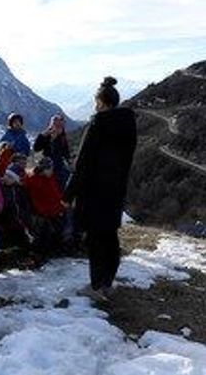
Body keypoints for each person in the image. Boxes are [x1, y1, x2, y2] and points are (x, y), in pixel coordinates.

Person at [64, 76, 137, 301]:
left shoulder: (98, 124)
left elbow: (83, 163)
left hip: (94, 191)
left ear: (101, 102)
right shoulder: (128, 124)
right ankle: (107, 283)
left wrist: (68, 194)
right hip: (115, 189)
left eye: (96, 101)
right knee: (110, 237)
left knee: (95, 239)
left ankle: (96, 287)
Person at [23, 158, 66, 259]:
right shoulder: (32, 179)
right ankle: (39, 254)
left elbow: (55, 194)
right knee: (43, 234)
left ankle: (53, 252)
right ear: (44, 169)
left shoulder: (50, 178)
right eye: (50, 169)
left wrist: (61, 206)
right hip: (41, 211)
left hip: (54, 210)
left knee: (56, 232)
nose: (52, 171)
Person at [33, 114, 71, 190]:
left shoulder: (62, 137)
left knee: (63, 181)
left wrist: (69, 161)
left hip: (59, 165)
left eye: (60, 126)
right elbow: (36, 148)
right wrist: (42, 136)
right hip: (47, 165)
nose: (58, 129)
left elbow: (65, 151)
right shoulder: (46, 136)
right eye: (56, 126)